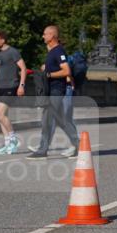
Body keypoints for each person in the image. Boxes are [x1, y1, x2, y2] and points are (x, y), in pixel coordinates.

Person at [28, 25, 78, 159]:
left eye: (45, 34)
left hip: (57, 90)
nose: (43, 36)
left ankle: (42, 150)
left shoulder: (58, 51)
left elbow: (66, 71)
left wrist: (49, 75)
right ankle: (78, 144)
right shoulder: (52, 52)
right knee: (58, 120)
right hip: (52, 91)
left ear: (52, 36)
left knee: (48, 119)